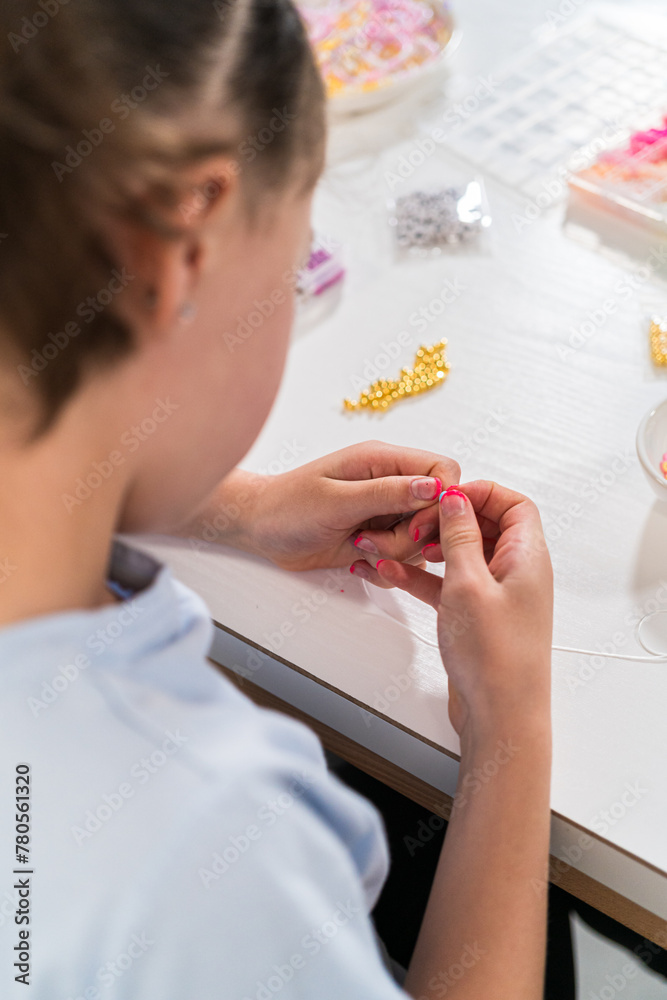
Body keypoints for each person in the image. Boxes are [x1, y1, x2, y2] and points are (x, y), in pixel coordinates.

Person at [0, 1, 553, 997]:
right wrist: (510, 737)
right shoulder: (198, 852)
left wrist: (239, 508)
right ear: (184, 248)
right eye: (292, 246)